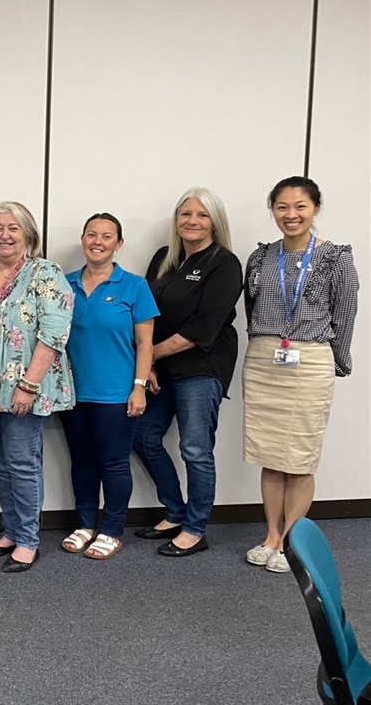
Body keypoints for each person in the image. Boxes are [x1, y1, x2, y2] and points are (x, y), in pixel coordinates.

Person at [242, 177, 358, 573]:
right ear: (272, 209)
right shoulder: (260, 258)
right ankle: (270, 536)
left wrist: (339, 359)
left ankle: (291, 542)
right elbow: (251, 309)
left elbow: (345, 314)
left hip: (309, 360)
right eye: (282, 207)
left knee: (300, 457)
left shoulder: (336, 258)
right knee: (270, 456)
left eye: (300, 207)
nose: (291, 215)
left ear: (316, 209)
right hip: (264, 360)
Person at [0, 201, 74, 573]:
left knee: (23, 462)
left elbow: (54, 333)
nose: (4, 235)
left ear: (28, 235)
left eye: (13, 228)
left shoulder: (46, 272)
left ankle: (27, 539)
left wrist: (28, 385)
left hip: (27, 387)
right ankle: (10, 530)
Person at [131, 187, 242, 557]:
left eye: (202, 215)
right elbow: (148, 312)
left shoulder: (224, 263)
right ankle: (175, 511)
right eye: (185, 214)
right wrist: (150, 364)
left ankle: (196, 528)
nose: (192, 221)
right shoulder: (165, 257)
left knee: (195, 449)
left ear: (214, 222)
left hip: (202, 365)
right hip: (162, 365)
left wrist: (150, 358)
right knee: (143, 436)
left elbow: (202, 328)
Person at [60, 213, 157, 560]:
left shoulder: (134, 286)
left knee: (113, 463)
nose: (97, 242)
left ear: (119, 244)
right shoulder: (64, 283)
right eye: (91, 234)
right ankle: (86, 524)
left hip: (116, 394)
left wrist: (139, 387)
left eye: (106, 236)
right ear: (83, 239)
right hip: (72, 393)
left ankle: (112, 529)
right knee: (82, 461)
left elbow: (145, 344)